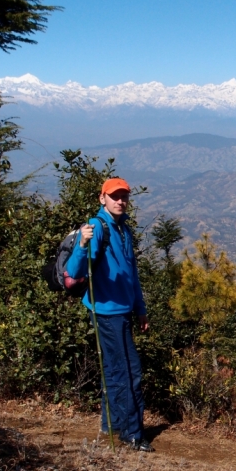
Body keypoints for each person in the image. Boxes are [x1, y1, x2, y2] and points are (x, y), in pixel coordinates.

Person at [66, 177, 153, 452]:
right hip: (107, 312)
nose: (120, 201)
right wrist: (81, 245)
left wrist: (140, 308)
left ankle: (112, 424)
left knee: (116, 370)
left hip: (123, 310)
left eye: (124, 196)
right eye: (114, 196)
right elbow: (76, 271)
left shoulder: (123, 229)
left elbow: (131, 275)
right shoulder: (98, 227)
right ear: (102, 198)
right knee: (129, 371)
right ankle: (132, 434)